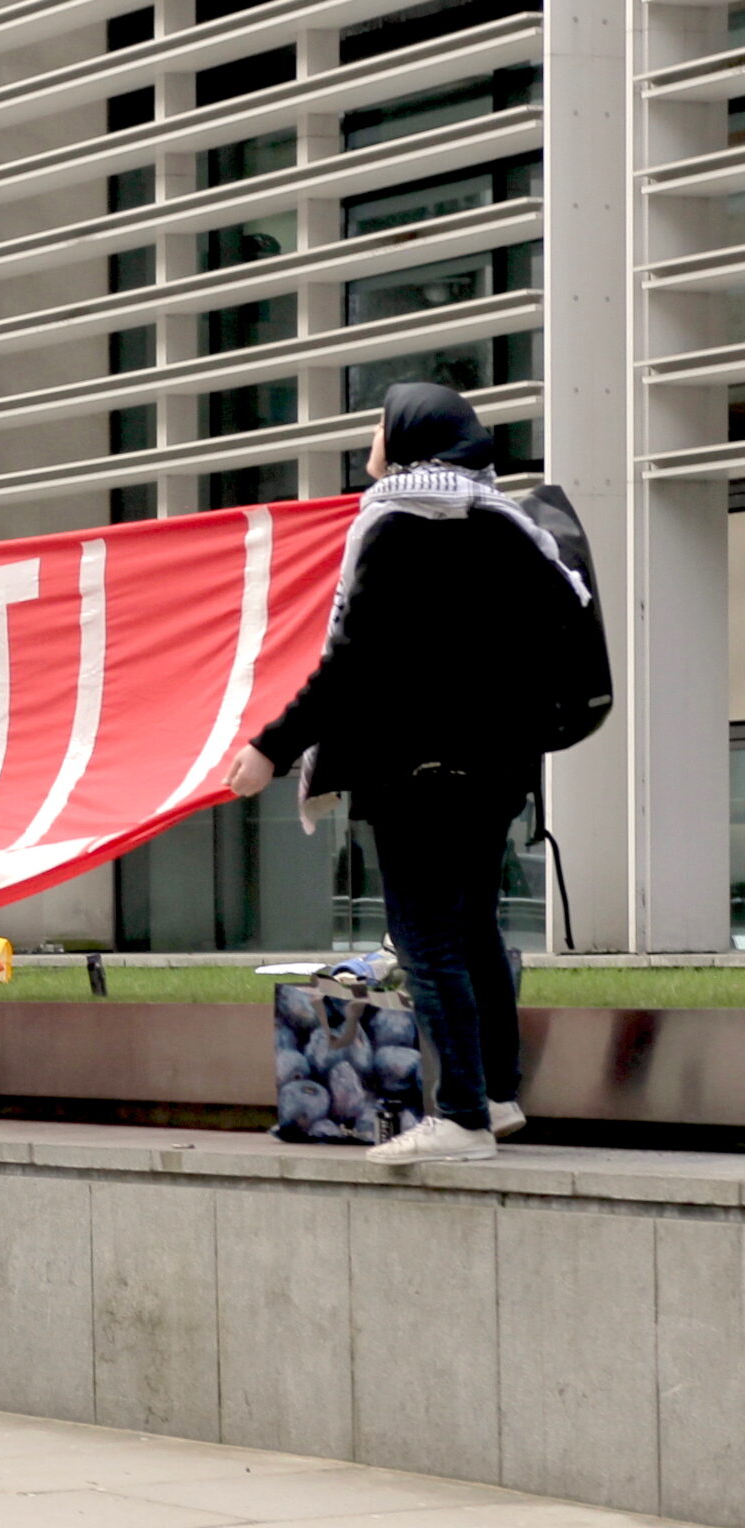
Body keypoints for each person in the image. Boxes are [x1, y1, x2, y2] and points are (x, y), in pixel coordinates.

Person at [225, 383, 562, 1165]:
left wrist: (272, 747)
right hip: (494, 772)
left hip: (417, 773)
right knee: (476, 927)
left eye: (381, 422)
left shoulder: (400, 524)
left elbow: (351, 665)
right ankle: (500, 1095)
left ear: (412, 437)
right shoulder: (505, 524)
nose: (371, 436)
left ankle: (463, 1117)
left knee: (425, 938)